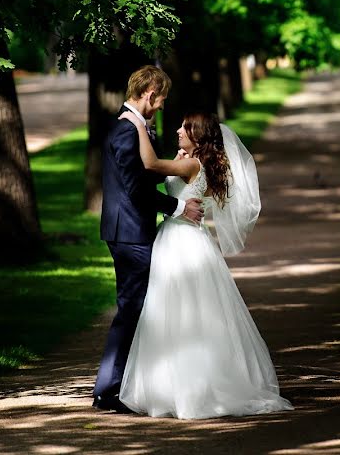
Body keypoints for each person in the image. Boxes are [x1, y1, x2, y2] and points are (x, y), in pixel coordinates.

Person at [115, 109, 293, 419]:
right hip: (189, 239)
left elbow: (150, 165)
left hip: (180, 241)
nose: (178, 132)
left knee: (177, 311)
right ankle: (185, 384)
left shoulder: (191, 165)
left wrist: (138, 126)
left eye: (185, 129)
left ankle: (184, 388)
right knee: (189, 310)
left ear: (198, 135)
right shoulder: (198, 162)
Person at [93, 65, 205, 413]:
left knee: (137, 308)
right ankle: (109, 391)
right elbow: (136, 189)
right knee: (132, 309)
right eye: (160, 100)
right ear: (149, 93)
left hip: (130, 230)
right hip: (129, 233)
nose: (160, 107)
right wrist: (177, 207)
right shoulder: (128, 131)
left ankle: (120, 386)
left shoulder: (134, 129)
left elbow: (147, 174)